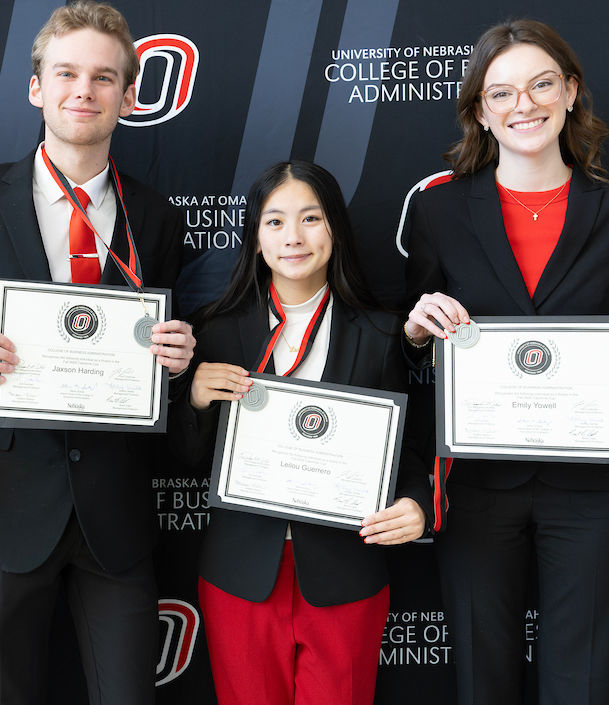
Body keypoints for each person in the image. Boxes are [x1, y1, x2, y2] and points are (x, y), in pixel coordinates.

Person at [403, 19, 609, 704]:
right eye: (500, 93)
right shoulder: (439, 210)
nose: (523, 105)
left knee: (585, 683)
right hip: (476, 486)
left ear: (570, 92)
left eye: (541, 85)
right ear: (481, 110)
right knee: (482, 679)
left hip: (593, 490)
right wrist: (415, 334)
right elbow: (410, 358)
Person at [0, 0, 195, 705]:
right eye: (66, 73)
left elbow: (163, 345)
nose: (84, 91)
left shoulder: (157, 217)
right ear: (36, 86)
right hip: (5, 501)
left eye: (105, 78)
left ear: (130, 97)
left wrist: (179, 354)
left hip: (117, 506)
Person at [172, 160, 433, 705]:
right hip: (241, 575)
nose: (293, 237)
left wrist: (417, 502)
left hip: (344, 574)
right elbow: (182, 459)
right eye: (274, 222)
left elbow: (405, 450)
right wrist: (193, 400)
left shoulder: (383, 332)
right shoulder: (216, 331)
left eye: (311, 219)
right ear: (256, 237)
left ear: (334, 228)